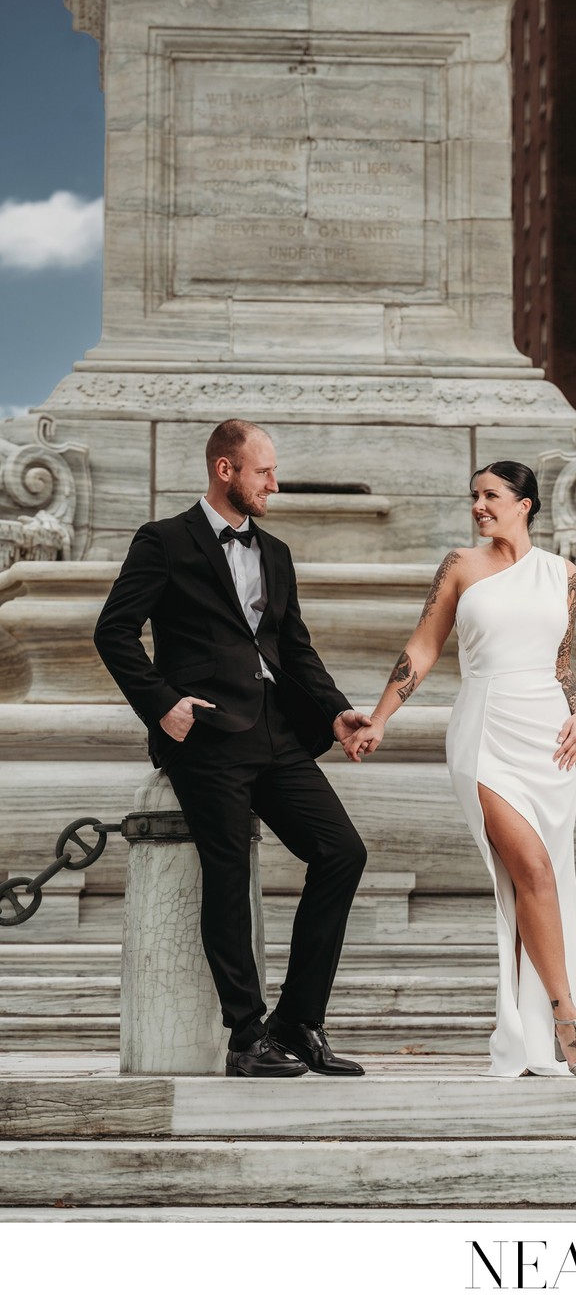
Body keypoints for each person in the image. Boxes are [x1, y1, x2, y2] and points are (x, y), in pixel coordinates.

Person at [94, 419, 369, 1079]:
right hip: (207, 735)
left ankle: (299, 1021)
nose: (274, 483)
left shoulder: (274, 551)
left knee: (341, 852)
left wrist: (335, 713)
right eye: (263, 471)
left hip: (276, 731)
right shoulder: (164, 541)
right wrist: (163, 704)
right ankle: (247, 1036)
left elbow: (293, 649)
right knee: (228, 872)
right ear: (226, 471)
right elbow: (115, 631)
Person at [344, 461, 576, 1079]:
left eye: (491, 495)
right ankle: (565, 1018)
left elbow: (561, 663)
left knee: (537, 881)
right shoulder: (460, 566)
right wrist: (381, 718)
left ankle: (530, 1031)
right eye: (474, 496)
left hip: (549, 738)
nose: (478, 505)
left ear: (524, 504)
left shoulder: (564, 575)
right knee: (532, 868)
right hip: (486, 729)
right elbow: (422, 647)